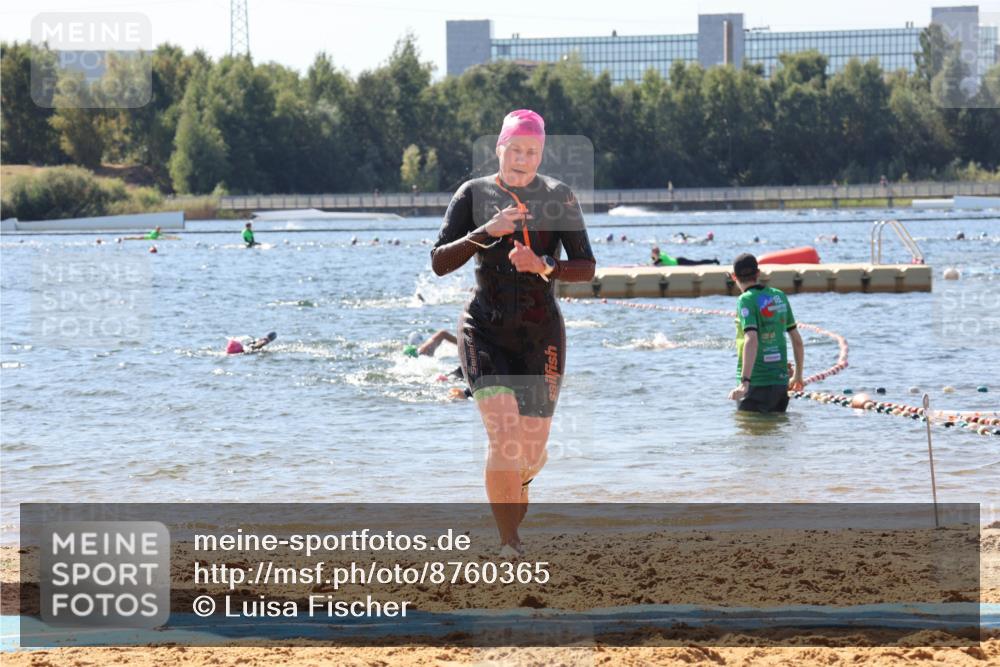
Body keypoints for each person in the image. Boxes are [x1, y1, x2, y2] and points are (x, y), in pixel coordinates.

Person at [431, 109, 596, 556]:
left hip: (541, 333)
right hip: (484, 327)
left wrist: (545, 265)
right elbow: (439, 261)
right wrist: (487, 232)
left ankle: (517, 482)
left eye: (533, 151)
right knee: (503, 437)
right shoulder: (474, 193)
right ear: (499, 147)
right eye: (516, 148)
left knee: (532, 450)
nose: (524, 158)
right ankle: (510, 542)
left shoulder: (560, 197)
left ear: (542, 154)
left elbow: (586, 267)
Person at [727, 253, 805, 413]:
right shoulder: (779, 296)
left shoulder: (745, 300)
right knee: (776, 431)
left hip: (755, 383)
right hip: (780, 383)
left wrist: (745, 382)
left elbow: (751, 339)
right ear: (758, 273)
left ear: (734, 277)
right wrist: (798, 376)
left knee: (749, 433)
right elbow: (797, 340)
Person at [651, 246, 719, 266]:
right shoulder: (661, 254)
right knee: (697, 262)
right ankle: (713, 260)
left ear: (655, 252)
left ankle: (714, 260)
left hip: (680, 262)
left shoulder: (661, 257)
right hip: (678, 260)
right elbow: (655, 260)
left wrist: (653, 258)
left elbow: (655, 263)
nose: (652, 253)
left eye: (653, 252)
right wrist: (653, 257)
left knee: (698, 262)